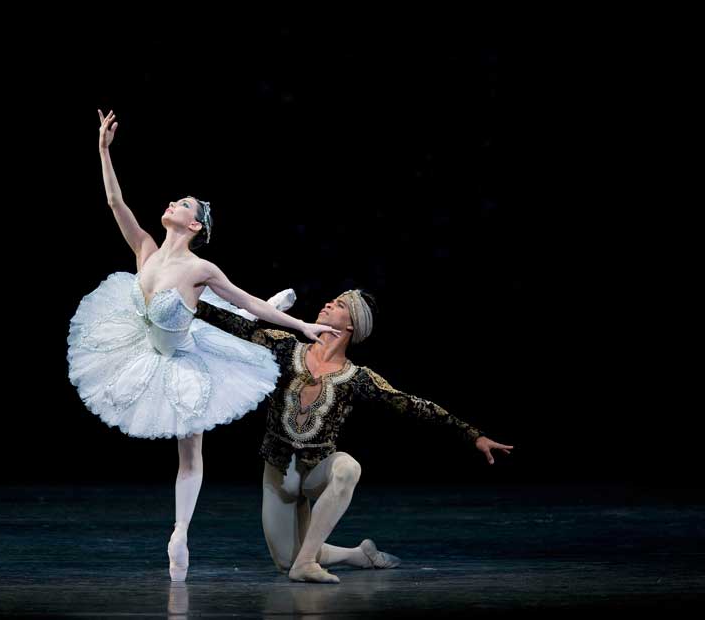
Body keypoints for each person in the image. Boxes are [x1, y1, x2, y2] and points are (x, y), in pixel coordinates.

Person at [67, 109, 340, 581]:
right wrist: (104, 150)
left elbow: (250, 301)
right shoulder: (146, 250)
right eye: (175, 200)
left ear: (195, 225)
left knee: (191, 451)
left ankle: (180, 533)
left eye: (184, 204)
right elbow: (115, 203)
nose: (174, 202)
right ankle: (179, 531)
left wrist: (302, 326)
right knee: (211, 325)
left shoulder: (201, 269)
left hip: (183, 360)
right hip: (141, 350)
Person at [193, 288, 514, 583]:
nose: (329, 303)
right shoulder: (284, 345)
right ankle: (356, 555)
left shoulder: (358, 378)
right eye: (333, 300)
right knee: (283, 562)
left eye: (341, 304)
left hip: (315, 471)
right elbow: (234, 325)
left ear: (351, 326)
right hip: (278, 473)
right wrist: (185, 301)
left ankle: (307, 563)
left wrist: (473, 435)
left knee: (348, 468)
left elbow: (416, 406)